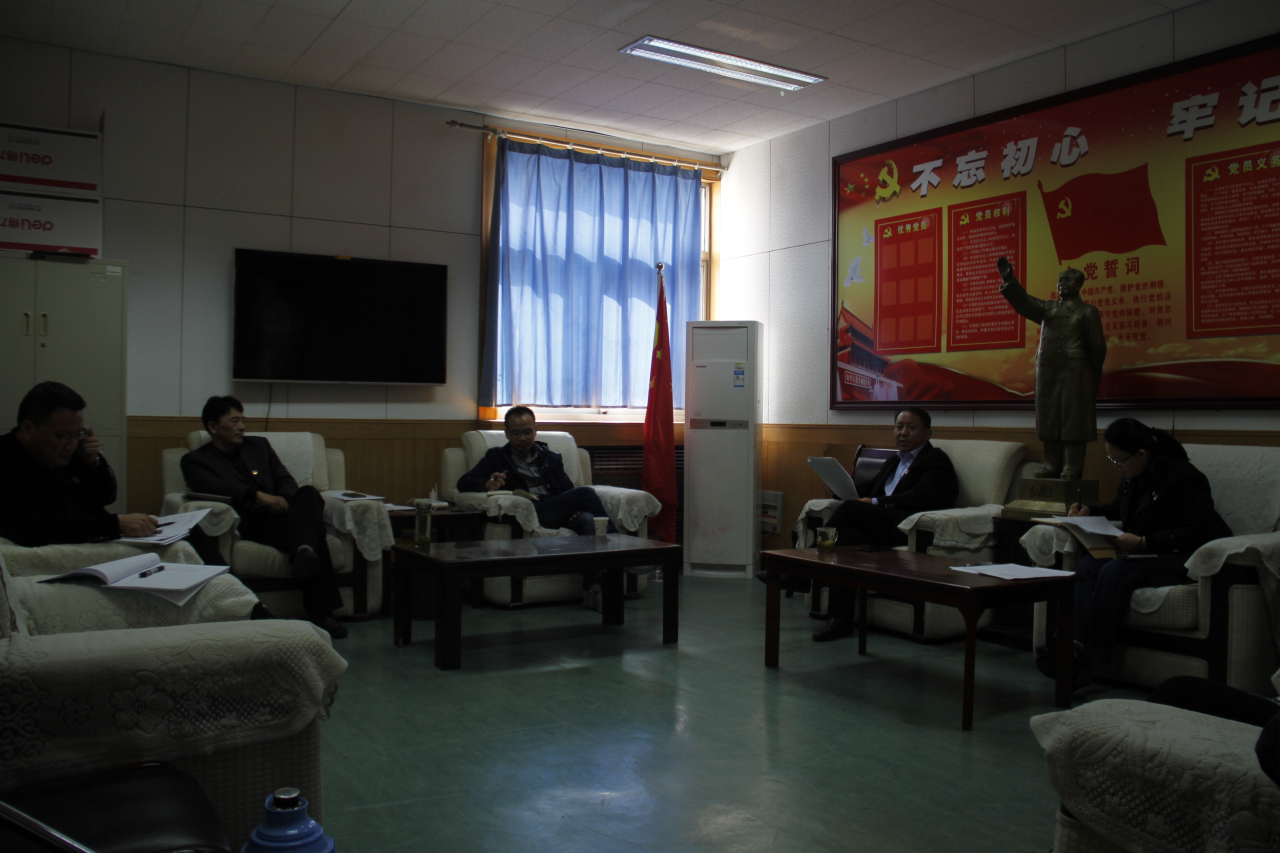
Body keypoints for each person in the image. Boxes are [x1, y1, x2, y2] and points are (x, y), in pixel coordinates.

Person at [1036, 418, 1231, 688]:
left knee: (1115, 570)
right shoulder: (1133, 476)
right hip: (1143, 553)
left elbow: (1197, 531)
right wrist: (1090, 511)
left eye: (1119, 461)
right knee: (1089, 565)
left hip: (1181, 557)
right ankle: (1071, 646)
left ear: (1141, 454)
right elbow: (1118, 508)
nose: (1117, 467)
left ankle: (1090, 659)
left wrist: (1143, 542)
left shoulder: (1186, 477)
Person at [181, 396, 347, 639]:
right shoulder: (196, 460)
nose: (242, 427)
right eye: (234, 421)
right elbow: (209, 484)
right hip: (253, 522)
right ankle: (322, 612)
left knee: (309, 493)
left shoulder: (258, 445)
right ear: (213, 427)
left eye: (243, 420)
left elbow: (285, 479)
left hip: (285, 514)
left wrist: (283, 500)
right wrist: (257, 495)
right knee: (314, 532)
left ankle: (303, 551)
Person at [811, 407, 959, 642]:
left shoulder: (935, 459)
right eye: (899, 427)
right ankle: (840, 620)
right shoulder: (893, 461)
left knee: (851, 509)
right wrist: (838, 488)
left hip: (907, 527)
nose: (903, 433)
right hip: (880, 526)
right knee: (847, 540)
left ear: (928, 433)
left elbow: (920, 497)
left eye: (911, 427)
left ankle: (804, 564)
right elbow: (869, 487)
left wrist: (875, 502)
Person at [457, 405, 617, 610]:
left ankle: (593, 589)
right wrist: (486, 484)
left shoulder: (550, 457)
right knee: (585, 493)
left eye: (527, 432)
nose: (523, 438)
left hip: (556, 510)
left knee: (586, 520)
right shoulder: (496, 457)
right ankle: (618, 544)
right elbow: (464, 482)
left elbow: (567, 490)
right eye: (516, 433)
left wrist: (569, 508)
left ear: (535, 430)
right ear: (507, 434)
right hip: (532, 512)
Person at [0, 381, 165, 545]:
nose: (71, 445)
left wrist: (93, 462)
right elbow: (32, 529)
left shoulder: (68, 451)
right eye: (64, 436)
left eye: (77, 434)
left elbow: (106, 497)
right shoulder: (6, 459)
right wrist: (115, 524)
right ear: (28, 429)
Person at [997, 258, 1106, 480]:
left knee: (1073, 420)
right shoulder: (1048, 308)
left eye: (1068, 280)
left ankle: (1072, 467)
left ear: (1079, 285)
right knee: (1049, 418)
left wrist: (1092, 377)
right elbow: (1025, 303)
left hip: (1075, 372)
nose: (1062, 283)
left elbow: (1097, 347)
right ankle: (1051, 465)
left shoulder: (1087, 311)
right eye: (1060, 280)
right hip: (1047, 371)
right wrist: (1010, 280)